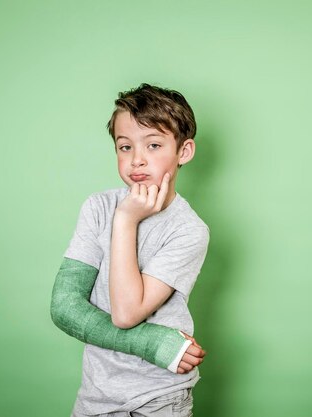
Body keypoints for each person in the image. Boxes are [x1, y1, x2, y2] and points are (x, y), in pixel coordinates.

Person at [50, 83, 210, 417]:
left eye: (153, 145)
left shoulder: (189, 230)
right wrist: (153, 343)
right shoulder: (98, 208)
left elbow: (126, 314)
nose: (137, 159)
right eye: (124, 147)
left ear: (184, 151)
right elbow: (65, 306)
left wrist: (125, 221)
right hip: (97, 395)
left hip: (160, 397)